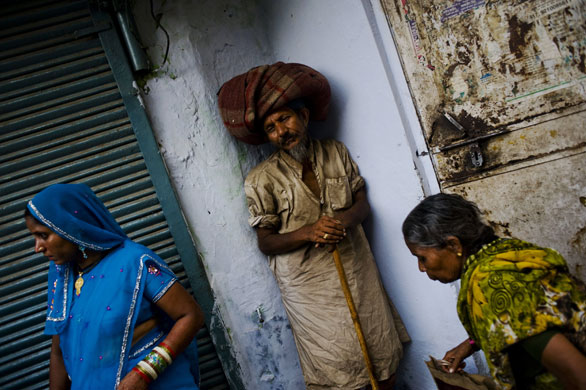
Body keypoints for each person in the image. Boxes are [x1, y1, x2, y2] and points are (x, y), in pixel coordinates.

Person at [217, 62, 409, 390]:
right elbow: (266, 242)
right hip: (309, 289)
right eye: (271, 128)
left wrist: (342, 220)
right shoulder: (261, 179)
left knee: (381, 352)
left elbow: (362, 203)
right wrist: (308, 232)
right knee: (335, 368)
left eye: (284, 119)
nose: (281, 132)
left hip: (357, 268)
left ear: (303, 116)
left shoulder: (335, 151)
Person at [24, 183, 204, 390]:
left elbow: (191, 316)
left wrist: (144, 373)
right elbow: (59, 349)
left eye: (43, 235)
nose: (37, 248)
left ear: (70, 227)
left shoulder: (134, 262)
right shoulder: (61, 275)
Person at [402, 193, 586, 390]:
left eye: (422, 258)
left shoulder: (490, 284)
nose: (421, 268)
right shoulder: (501, 251)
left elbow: (576, 372)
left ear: (454, 245)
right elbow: (520, 317)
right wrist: (471, 344)